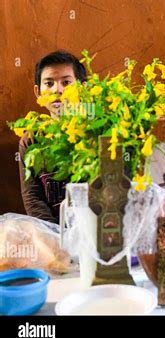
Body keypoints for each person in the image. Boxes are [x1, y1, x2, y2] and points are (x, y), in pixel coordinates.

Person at [19, 51, 87, 224]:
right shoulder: (31, 141)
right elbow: (32, 197)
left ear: (82, 87)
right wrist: (53, 236)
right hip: (50, 235)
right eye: (49, 83)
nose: (58, 90)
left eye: (66, 82)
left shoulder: (96, 132)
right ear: (38, 92)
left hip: (94, 232)